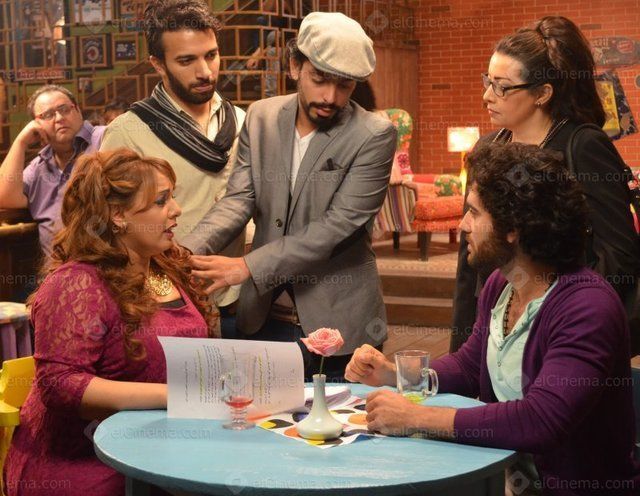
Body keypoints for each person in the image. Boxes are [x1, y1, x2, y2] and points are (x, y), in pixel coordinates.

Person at [346, 142, 640, 495]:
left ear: (513, 227)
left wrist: (416, 417)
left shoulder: (587, 307)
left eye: (474, 212)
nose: (463, 225)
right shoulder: (502, 284)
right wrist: (396, 375)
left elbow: (542, 419)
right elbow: (471, 367)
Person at [183, 12, 397, 381]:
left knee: (338, 417)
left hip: (339, 321)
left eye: (344, 86)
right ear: (295, 66)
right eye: (320, 79)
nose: (330, 97)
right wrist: (184, 252)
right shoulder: (261, 117)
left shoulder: (374, 134)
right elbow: (238, 199)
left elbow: (337, 226)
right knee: (258, 414)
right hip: (264, 316)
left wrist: (248, 266)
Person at [3, 149, 214, 496]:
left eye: (172, 198)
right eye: (161, 201)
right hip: (84, 463)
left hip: (159, 449)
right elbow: (61, 385)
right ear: (117, 216)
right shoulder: (76, 283)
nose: (176, 209)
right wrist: (176, 396)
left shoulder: (165, 266)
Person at [451, 16, 640, 355]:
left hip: (562, 330)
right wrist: (462, 346)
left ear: (542, 93)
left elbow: (618, 256)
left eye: (502, 86)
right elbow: (470, 264)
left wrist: (569, 317)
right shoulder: (488, 147)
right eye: (488, 81)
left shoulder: (582, 145)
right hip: (494, 326)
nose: (486, 96)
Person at [100, 0, 246, 335]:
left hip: (242, 300)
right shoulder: (128, 131)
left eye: (211, 55)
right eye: (186, 60)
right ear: (158, 64)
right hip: (169, 308)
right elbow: (110, 231)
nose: (205, 71)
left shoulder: (241, 121)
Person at [0, 85, 105, 257]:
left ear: (78, 110)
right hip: (56, 270)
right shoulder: (39, 166)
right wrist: (20, 142)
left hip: (108, 267)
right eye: (48, 115)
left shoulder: (104, 139)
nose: (59, 118)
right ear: (36, 125)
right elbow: (5, 197)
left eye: (64, 109)